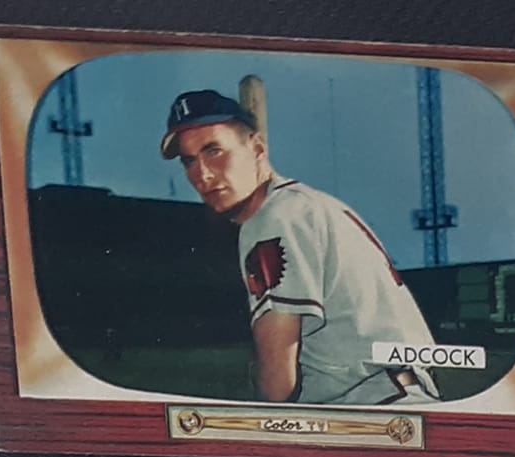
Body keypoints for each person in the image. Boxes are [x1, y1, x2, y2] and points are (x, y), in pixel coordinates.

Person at [160, 88, 439, 409]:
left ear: (257, 147)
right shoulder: (307, 204)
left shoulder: (272, 218)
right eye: (189, 161)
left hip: (371, 404)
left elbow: (277, 384)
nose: (202, 174)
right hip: (398, 393)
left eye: (214, 151)